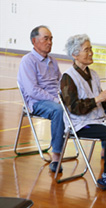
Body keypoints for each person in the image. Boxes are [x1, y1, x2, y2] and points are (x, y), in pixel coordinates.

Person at [60, 34, 106, 192]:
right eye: (87, 50)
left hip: (98, 120)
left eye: (91, 49)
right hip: (80, 124)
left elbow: (99, 103)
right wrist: (98, 99)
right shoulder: (68, 77)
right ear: (75, 54)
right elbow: (74, 108)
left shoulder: (94, 75)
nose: (91, 52)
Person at [17, 25, 64, 173]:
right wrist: (56, 100)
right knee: (59, 110)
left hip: (54, 99)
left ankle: (105, 148)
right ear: (34, 41)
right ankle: (57, 157)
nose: (50, 42)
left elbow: (61, 82)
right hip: (37, 102)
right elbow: (32, 90)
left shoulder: (53, 61)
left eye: (51, 39)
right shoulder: (28, 61)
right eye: (46, 39)